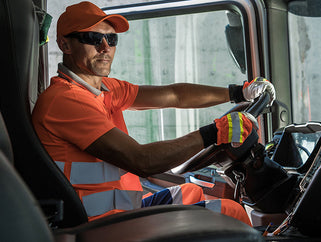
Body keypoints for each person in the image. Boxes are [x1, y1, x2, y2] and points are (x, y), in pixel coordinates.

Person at [31, 1, 275, 226]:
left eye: (111, 39)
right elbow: (142, 161)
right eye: (93, 38)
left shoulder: (104, 88)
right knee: (231, 214)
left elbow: (174, 95)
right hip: (102, 225)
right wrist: (214, 133)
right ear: (64, 44)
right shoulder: (66, 100)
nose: (105, 47)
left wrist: (239, 92)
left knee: (192, 191)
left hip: (124, 210)